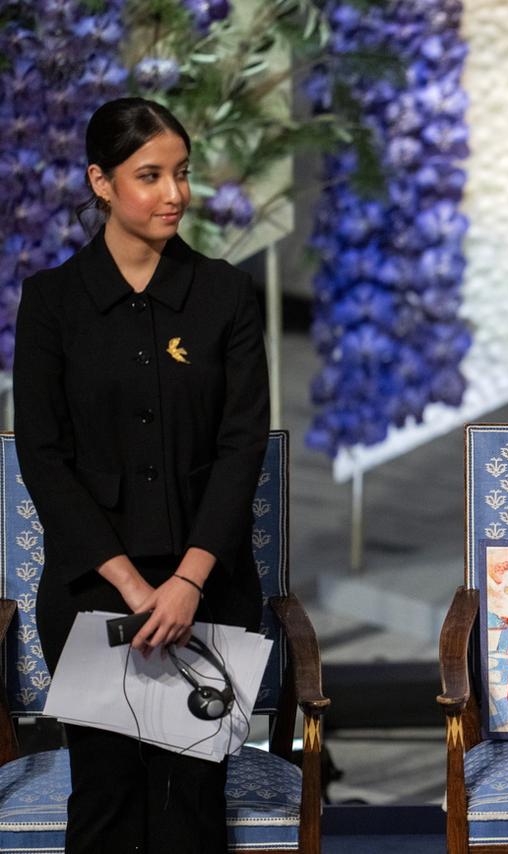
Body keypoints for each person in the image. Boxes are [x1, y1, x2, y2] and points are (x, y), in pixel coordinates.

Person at [14, 97, 268, 852]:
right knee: (106, 800)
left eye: (182, 174)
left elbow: (241, 445)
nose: (174, 194)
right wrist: (133, 589)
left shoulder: (225, 295)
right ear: (101, 182)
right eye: (149, 175)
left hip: (210, 585)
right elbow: (44, 457)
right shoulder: (52, 303)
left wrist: (187, 582)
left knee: (192, 804)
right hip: (94, 591)